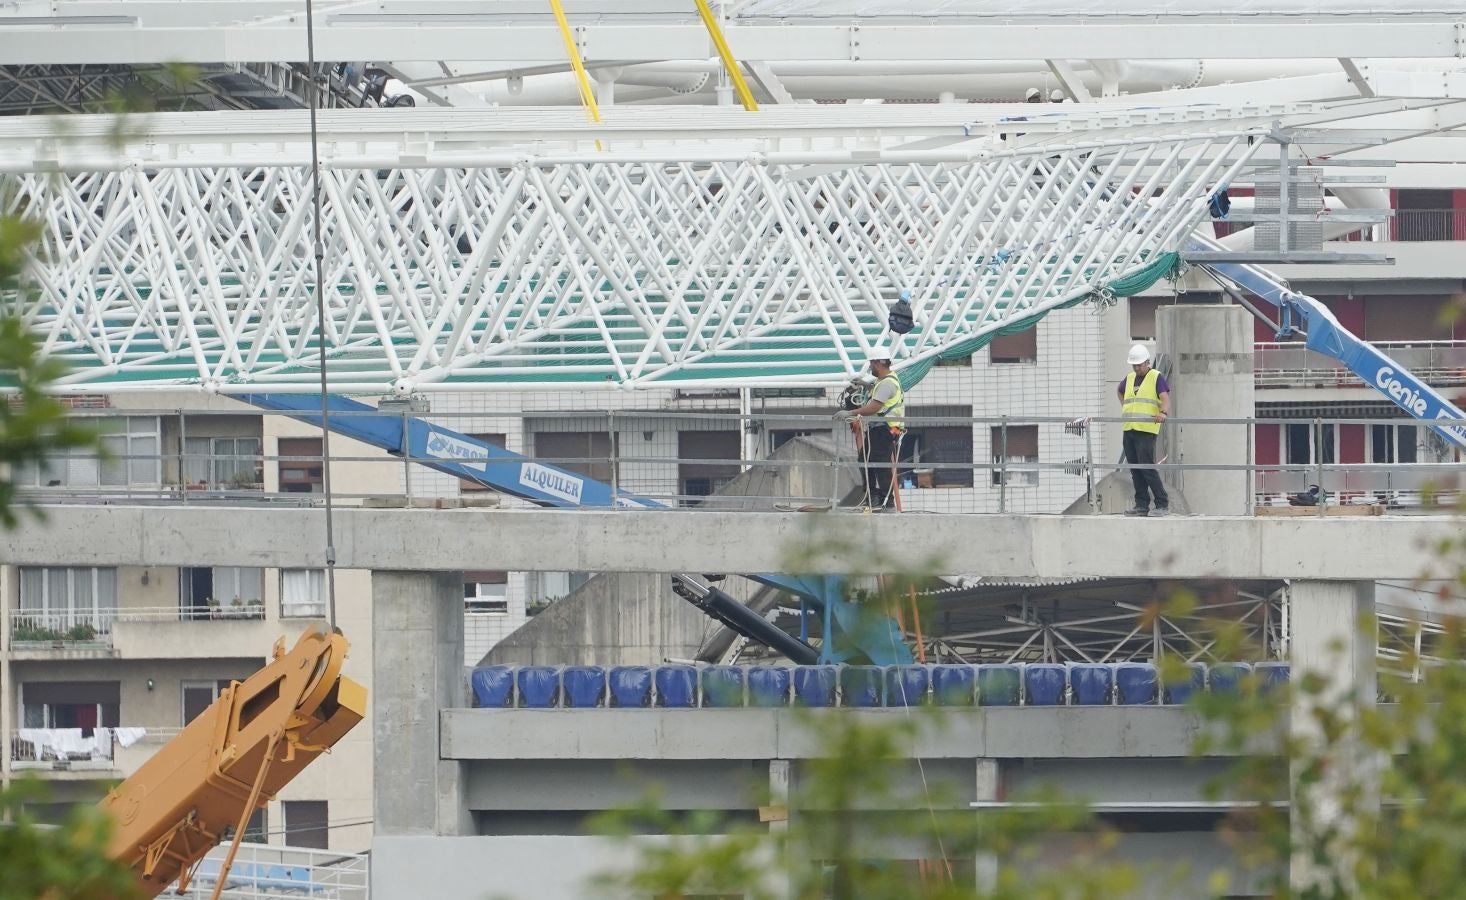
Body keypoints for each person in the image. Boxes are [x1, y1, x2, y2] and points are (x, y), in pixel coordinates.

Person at [837, 347, 906, 510]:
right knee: (865, 460)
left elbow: (874, 407)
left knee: (878, 463)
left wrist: (850, 413)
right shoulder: (884, 381)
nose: (870, 367)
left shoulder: (887, 384)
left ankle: (885, 500)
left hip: (885, 428)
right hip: (881, 428)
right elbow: (877, 393)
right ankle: (873, 495)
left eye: (871, 364)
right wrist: (865, 385)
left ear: (878, 363)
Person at [1117, 343, 1170, 516]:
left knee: (1147, 467)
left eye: (1139, 364)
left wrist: (1163, 412)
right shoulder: (1130, 378)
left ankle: (1162, 503)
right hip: (1130, 428)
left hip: (1146, 430)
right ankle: (1141, 505)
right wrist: (1125, 407)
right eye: (1134, 365)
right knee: (1135, 469)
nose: (1137, 368)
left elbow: (1164, 397)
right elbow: (1119, 391)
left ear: (1147, 362)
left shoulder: (1156, 377)